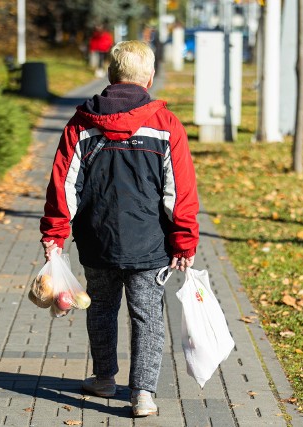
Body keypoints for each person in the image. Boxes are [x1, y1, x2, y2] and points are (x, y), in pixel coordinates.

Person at [39, 40, 199, 417]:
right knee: (147, 316)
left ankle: (104, 378)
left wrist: (54, 234)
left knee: (102, 309)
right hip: (151, 245)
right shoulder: (165, 125)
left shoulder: (82, 124)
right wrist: (184, 242)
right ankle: (143, 393)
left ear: (111, 75)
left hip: (97, 241)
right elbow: (179, 191)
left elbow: (64, 184)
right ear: (149, 77)